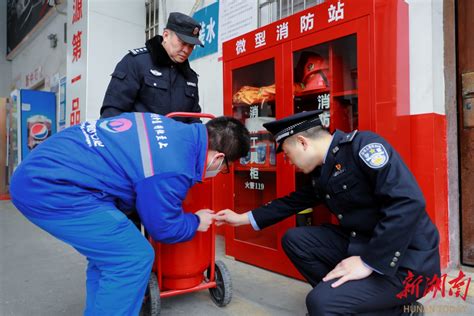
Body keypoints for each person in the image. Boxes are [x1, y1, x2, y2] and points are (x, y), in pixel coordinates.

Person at [10, 113, 250, 315]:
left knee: (109, 257)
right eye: (225, 169)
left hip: (46, 170)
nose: (220, 173)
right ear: (218, 158)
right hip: (51, 187)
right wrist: (196, 220)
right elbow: (163, 228)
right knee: (132, 257)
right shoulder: (174, 166)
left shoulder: (171, 128)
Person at [216, 110, 440, 315]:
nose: (288, 162)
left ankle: (400, 311)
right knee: (295, 240)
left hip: (406, 261)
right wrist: (241, 219)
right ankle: (346, 299)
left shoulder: (363, 147)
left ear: (302, 142)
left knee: (319, 303)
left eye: (287, 154)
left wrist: (367, 262)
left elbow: (408, 202)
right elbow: (292, 202)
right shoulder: (324, 170)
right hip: (363, 243)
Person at [100, 12, 204, 123]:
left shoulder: (190, 77)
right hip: (137, 139)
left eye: (191, 46)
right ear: (166, 35)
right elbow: (112, 113)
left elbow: (194, 121)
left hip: (176, 140)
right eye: (183, 43)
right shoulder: (136, 63)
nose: (186, 50)